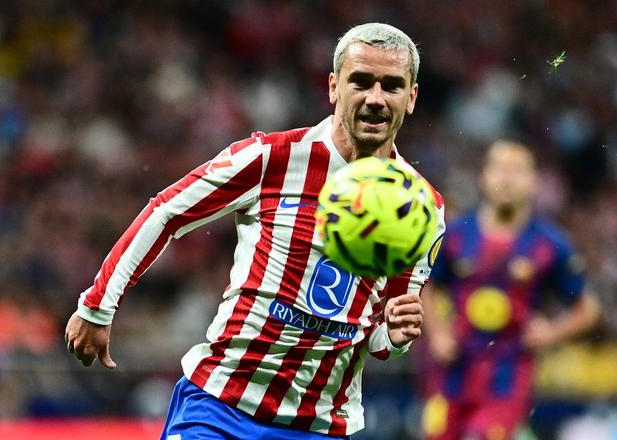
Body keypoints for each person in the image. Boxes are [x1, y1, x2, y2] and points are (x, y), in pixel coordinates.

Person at [65, 23, 446, 439]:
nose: (375, 98)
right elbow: (167, 212)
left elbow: (380, 340)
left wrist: (397, 336)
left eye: (391, 86)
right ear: (334, 87)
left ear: (411, 97)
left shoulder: (423, 209)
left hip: (318, 426)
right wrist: (98, 305)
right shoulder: (273, 158)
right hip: (220, 406)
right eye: (361, 81)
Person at [419, 140, 601, 440]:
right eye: (500, 168)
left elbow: (588, 309)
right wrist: (437, 333)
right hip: (451, 372)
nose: (507, 178)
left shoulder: (549, 243)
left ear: (533, 181)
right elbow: (424, 283)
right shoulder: (455, 235)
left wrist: (551, 333)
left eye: (517, 170)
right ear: (484, 176)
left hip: (508, 377)